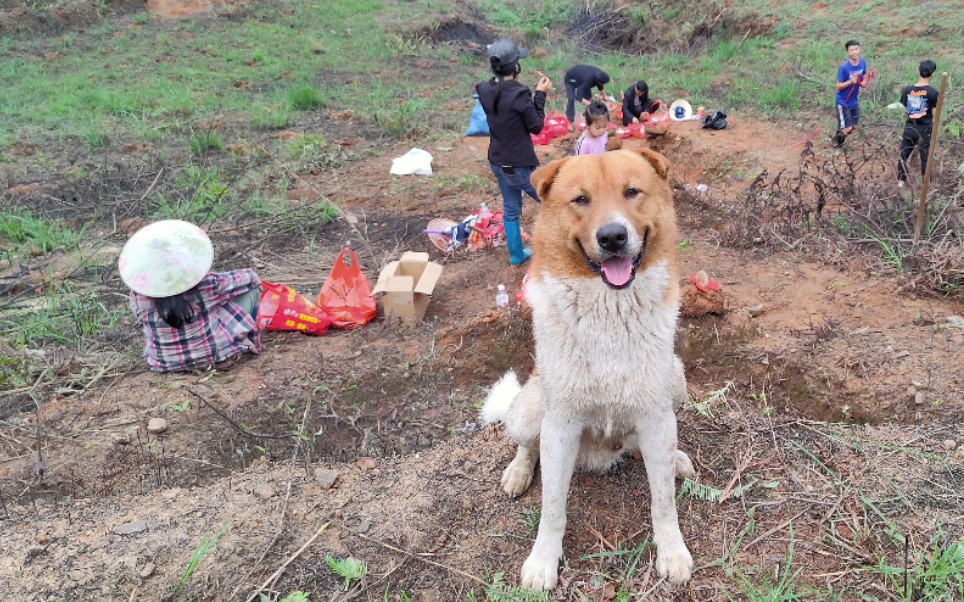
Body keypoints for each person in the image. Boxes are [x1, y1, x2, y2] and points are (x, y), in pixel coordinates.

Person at [119, 219, 262, 372]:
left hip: (164, 363)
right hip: (212, 356)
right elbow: (252, 278)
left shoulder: (138, 296)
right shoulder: (207, 283)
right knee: (251, 292)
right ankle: (249, 335)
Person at [476, 39, 552, 266]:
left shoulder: (485, 89)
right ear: (516, 66)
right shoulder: (519, 94)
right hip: (518, 165)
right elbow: (536, 126)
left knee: (511, 209)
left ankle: (517, 255)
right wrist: (540, 94)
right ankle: (559, 245)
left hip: (498, 160)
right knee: (551, 200)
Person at [897, 59, 939, 188]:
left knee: (904, 153)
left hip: (910, 127)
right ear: (932, 74)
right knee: (925, 156)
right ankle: (925, 182)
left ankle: (901, 180)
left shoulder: (907, 90)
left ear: (918, 71)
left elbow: (905, 109)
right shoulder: (933, 92)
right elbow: (935, 114)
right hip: (925, 129)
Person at [833, 40, 870, 148]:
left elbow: (863, 76)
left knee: (853, 126)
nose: (854, 52)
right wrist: (850, 82)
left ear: (859, 49)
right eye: (851, 50)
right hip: (843, 102)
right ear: (847, 52)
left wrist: (865, 82)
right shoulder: (844, 67)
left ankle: (839, 135)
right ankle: (837, 143)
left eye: (856, 49)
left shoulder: (862, 62)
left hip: (854, 100)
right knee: (847, 128)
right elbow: (838, 86)